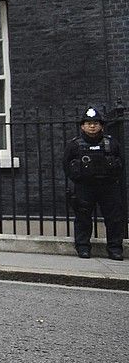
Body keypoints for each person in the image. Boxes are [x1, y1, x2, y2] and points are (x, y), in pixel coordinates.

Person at [65, 107, 124, 260]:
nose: (92, 126)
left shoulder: (111, 143)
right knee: (83, 218)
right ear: (82, 126)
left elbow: (121, 163)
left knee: (114, 219)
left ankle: (115, 249)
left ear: (101, 126)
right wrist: (77, 179)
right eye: (88, 123)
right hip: (84, 187)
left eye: (96, 123)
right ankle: (83, 247)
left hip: (108, 187)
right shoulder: (74, 145)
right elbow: (66, 165)